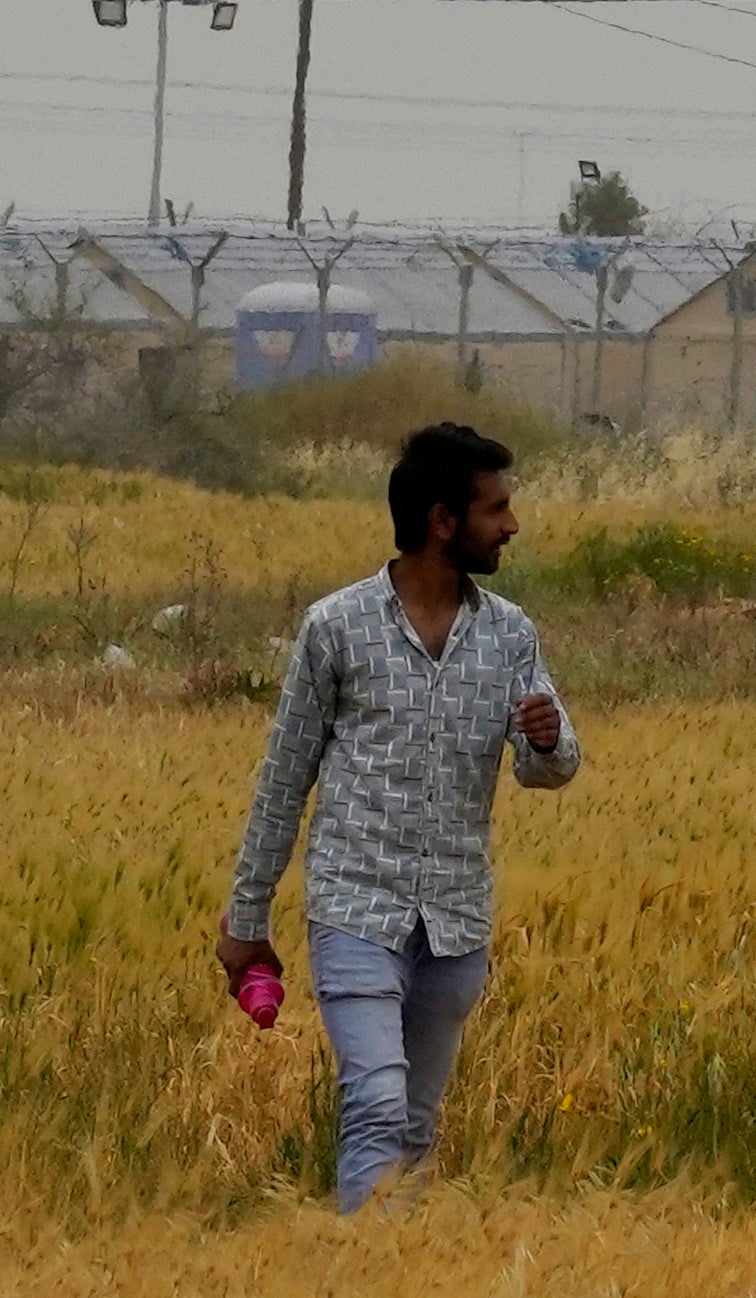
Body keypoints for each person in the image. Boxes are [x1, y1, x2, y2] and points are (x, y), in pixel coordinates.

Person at [219, 421, 583, 1212]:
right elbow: (284, 780)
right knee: (377, 1105)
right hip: (357, 909)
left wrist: (551, 741)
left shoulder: (510, 634)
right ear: (441, 519)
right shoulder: (336, 627)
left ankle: (390, 1292)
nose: (512, 526)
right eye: (496, 509)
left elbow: (547, 767)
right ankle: (360, 1274)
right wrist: (246, 919)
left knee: (415, 1125)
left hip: (454, 916)